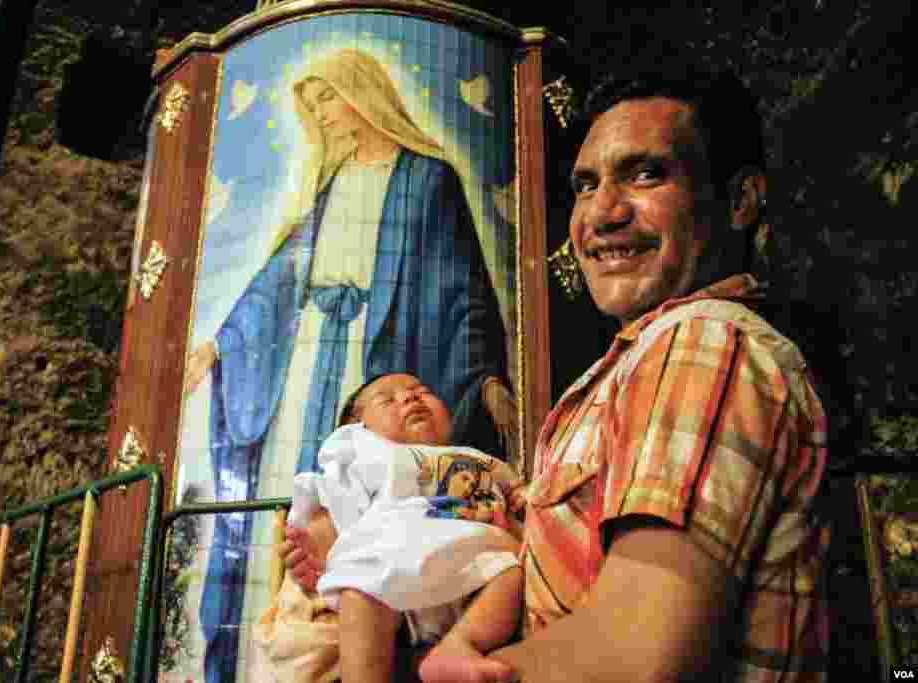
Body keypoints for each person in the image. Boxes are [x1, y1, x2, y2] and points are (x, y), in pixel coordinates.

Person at [286, 64, 833, 683]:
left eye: (646, 174)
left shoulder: (702, 344)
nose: (602, 213)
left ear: (739, 201)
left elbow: (634, 655)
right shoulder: (640, 361)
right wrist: (359, 552)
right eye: (585, 185)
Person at [182, 48, 515, 683]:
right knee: (311, 490)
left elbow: (461, 289)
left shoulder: (427, 179)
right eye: (313, 106)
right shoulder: (329, 183)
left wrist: (484, 378)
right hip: (312, 358)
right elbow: (280, 276)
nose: (324, 115)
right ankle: (290, 646)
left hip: (377, 351)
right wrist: (220, 345)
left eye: (328, 98)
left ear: (362, 95)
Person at [258, 373, 525, 683]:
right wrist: (318, 538)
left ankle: (459, 645)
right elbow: (333, 499)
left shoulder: (475, 458)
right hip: (393, 562)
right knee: (360, 593)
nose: (411, 398)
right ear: (357, 428)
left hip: (471, 561)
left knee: (511, 571)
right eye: (387, 400)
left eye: (422, 391)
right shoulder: (365, 453)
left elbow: (516, 490)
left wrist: (523, 498)